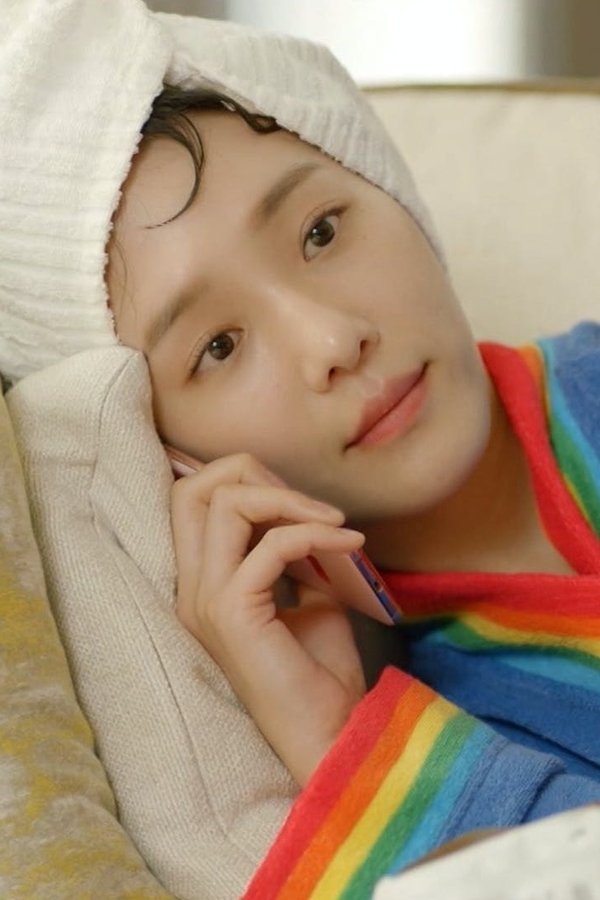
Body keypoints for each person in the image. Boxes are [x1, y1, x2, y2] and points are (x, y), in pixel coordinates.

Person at [1, 1, 599, 897]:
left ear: (388, 187)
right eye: (219, 347)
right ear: (173, 460)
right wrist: (337, 742)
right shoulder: (419, 727)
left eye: (321, 231)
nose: (332, 341)